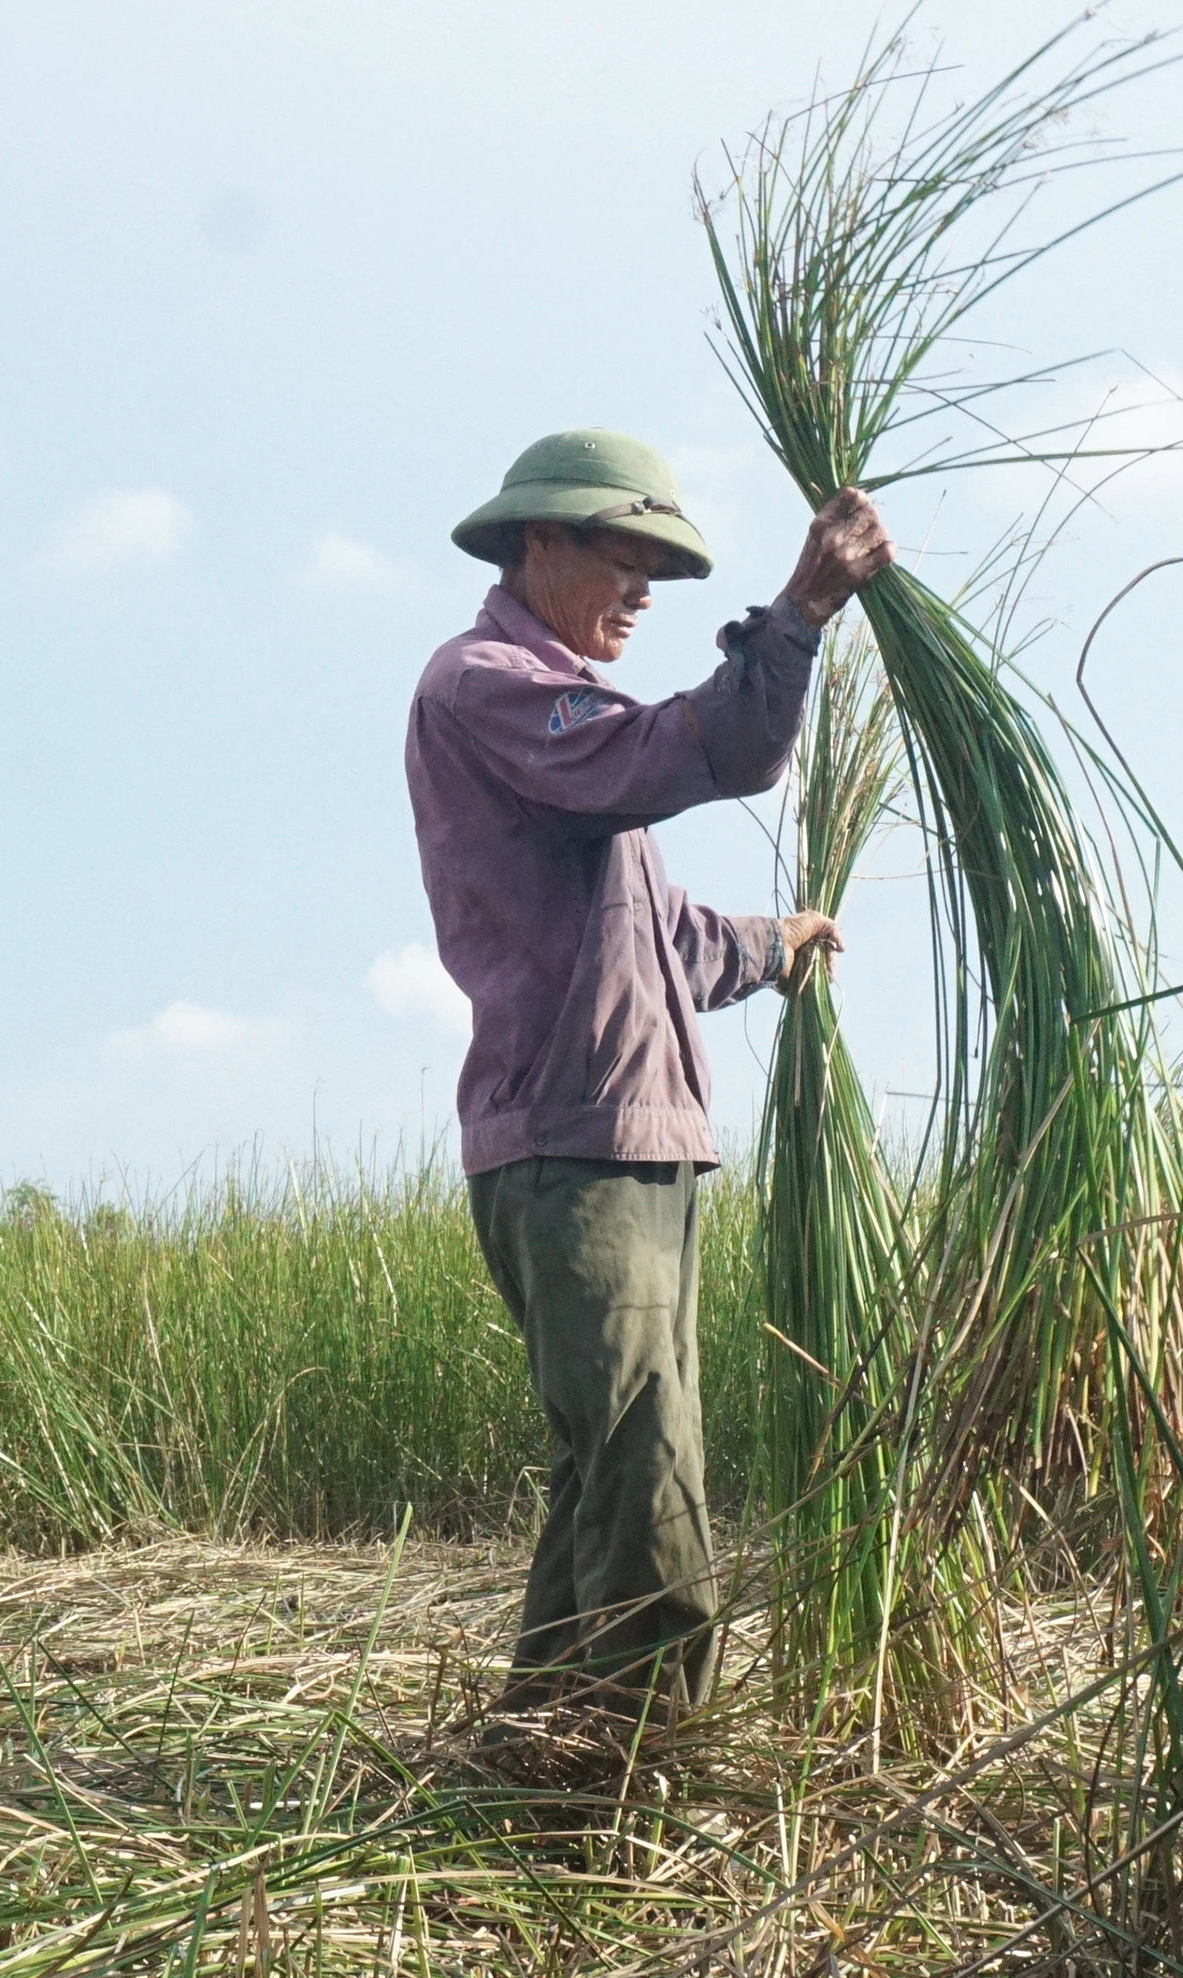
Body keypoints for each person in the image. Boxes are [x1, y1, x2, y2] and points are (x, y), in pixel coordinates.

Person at [405, 428, 893, 1718]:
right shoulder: (494, 684)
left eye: (656, 575)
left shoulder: (568, 741)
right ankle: (640, 1777)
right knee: (647, 1473)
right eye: (623, 561)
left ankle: (548, 1758)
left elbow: (660, 938)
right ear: (540, 542)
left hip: (639, 1140)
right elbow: (686, 754)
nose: (639, 592)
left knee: (608, 1467)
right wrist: (797, 617)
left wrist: (771, 945)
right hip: (574, 1145)